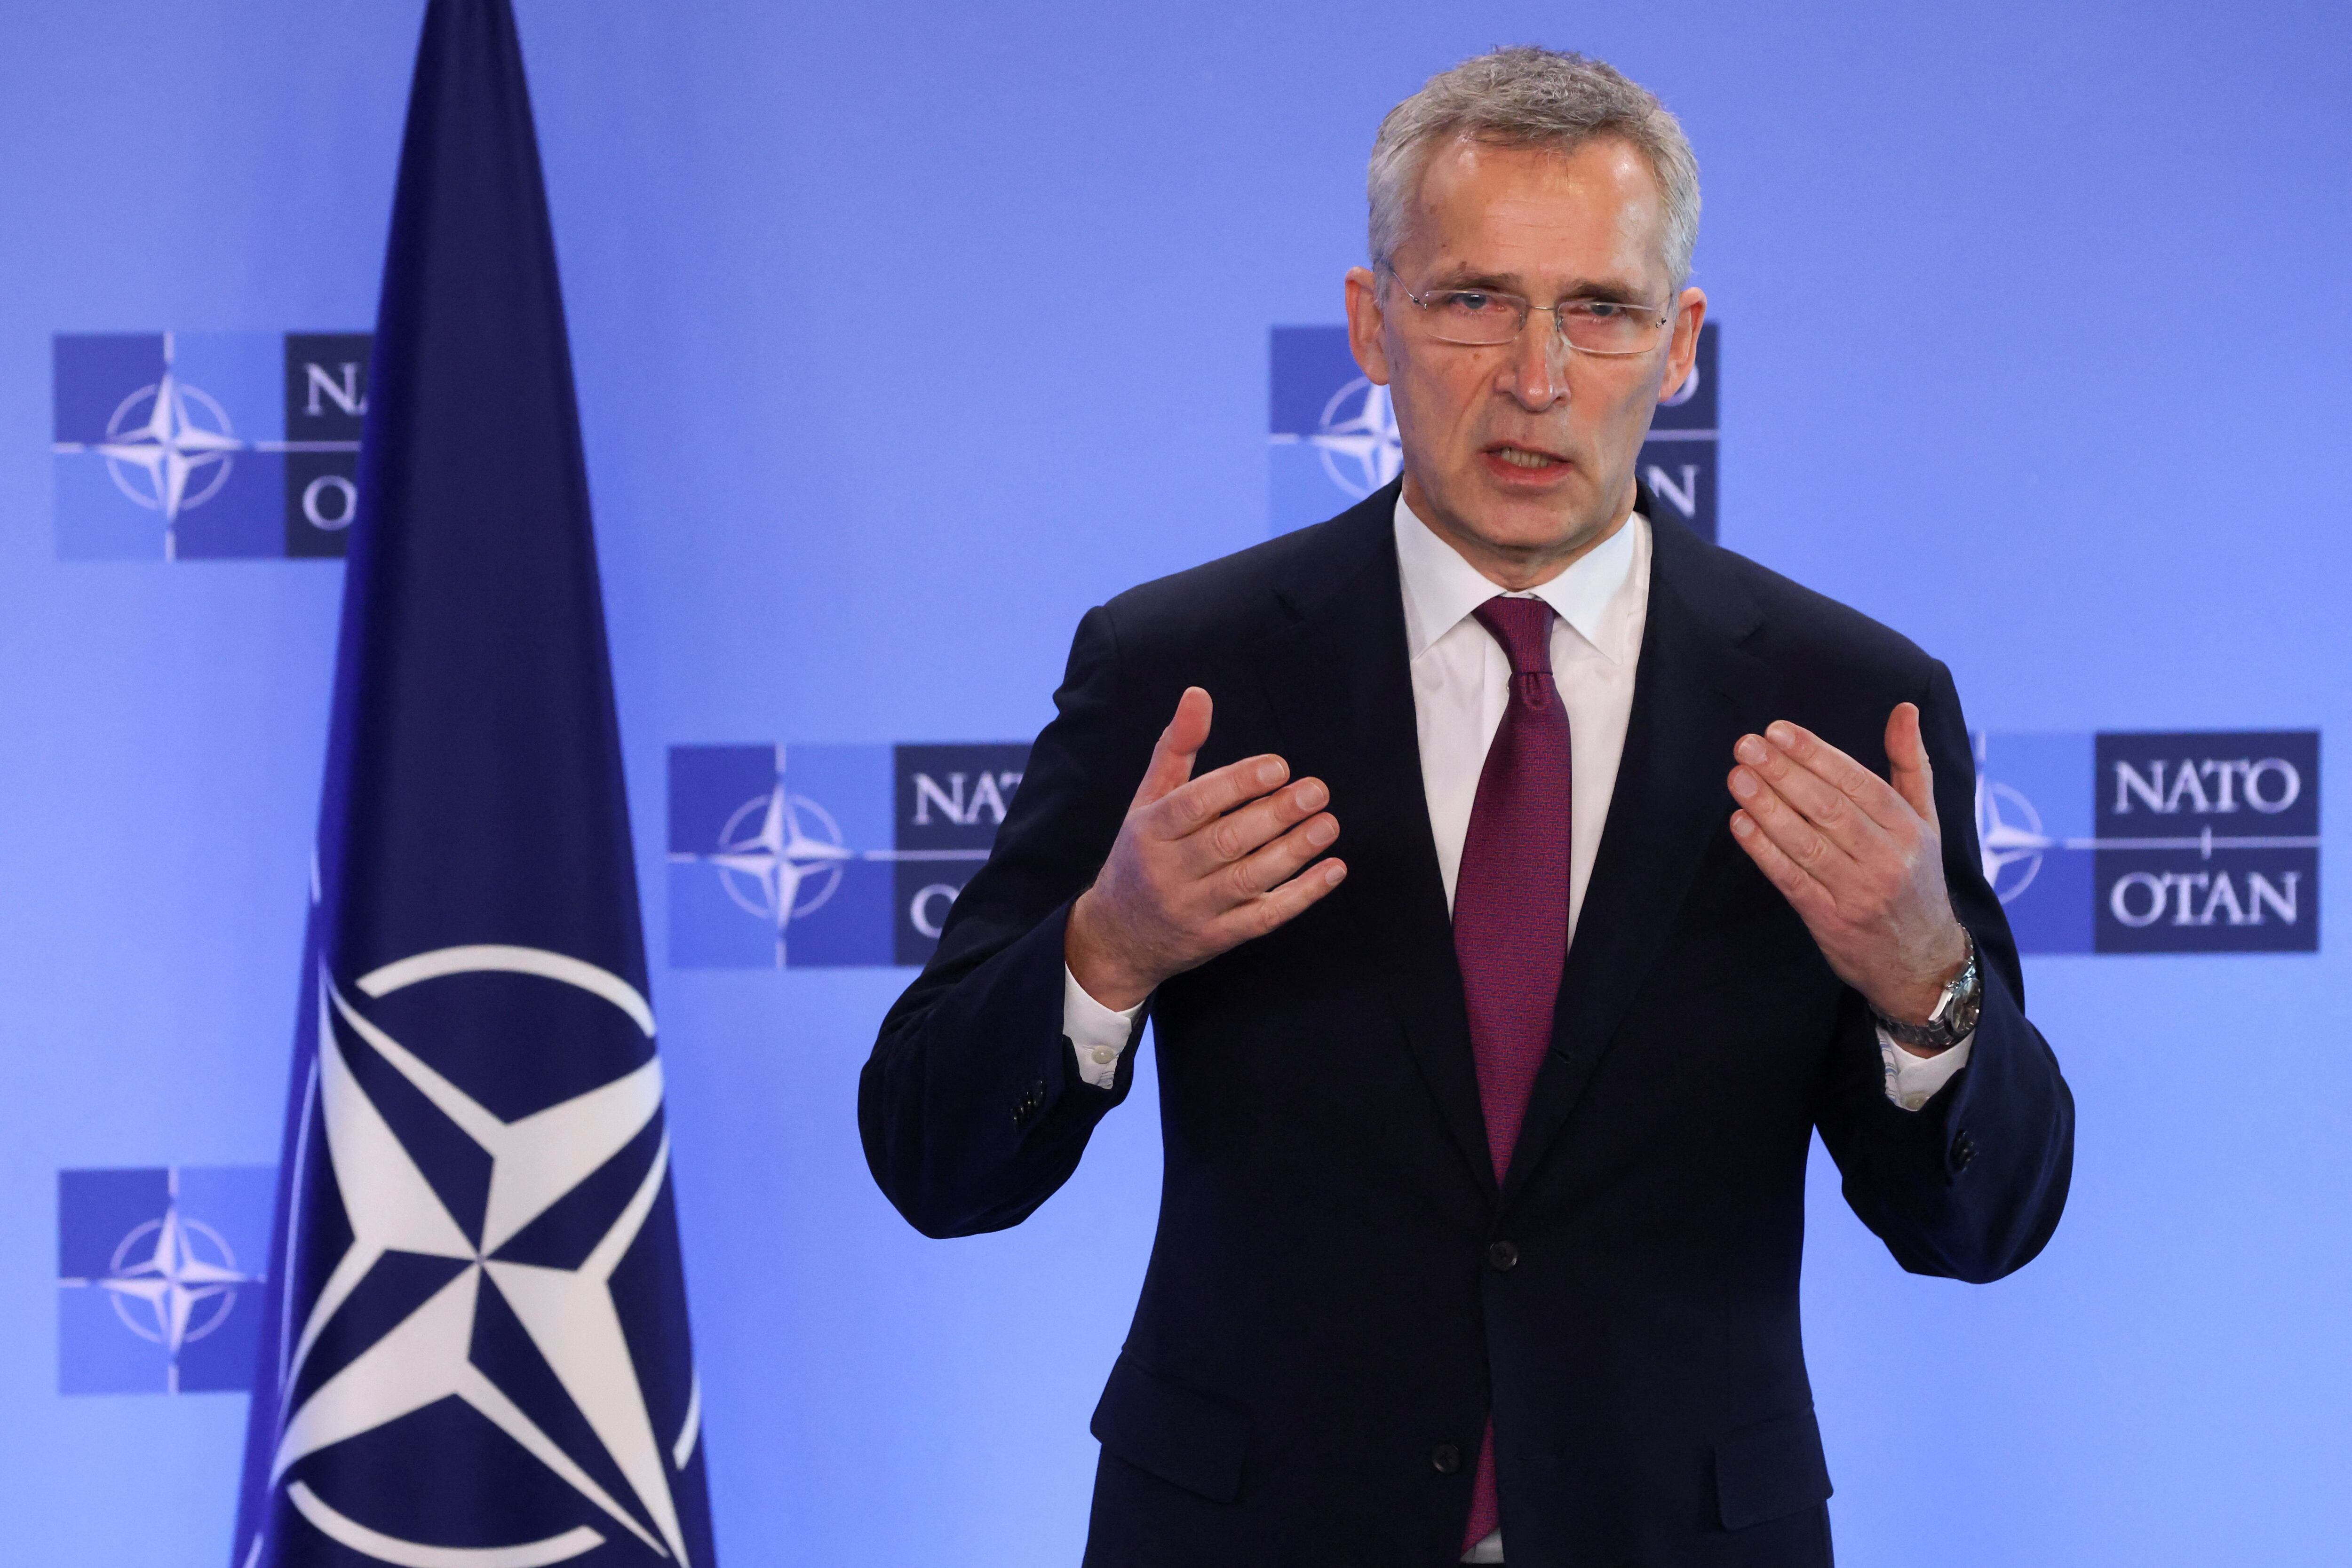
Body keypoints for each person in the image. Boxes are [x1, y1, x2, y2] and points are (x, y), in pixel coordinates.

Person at [860, 45, 2073, 1568]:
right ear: (1373, 324)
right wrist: (1104, 955)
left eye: (1601, 311)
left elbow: (1988, 1228)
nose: (1537, 379)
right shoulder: (1181, 674)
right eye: (1473, 300)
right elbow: (933, 1159)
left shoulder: (1848, 701)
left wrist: (1927, 987)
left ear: (1680, 342)